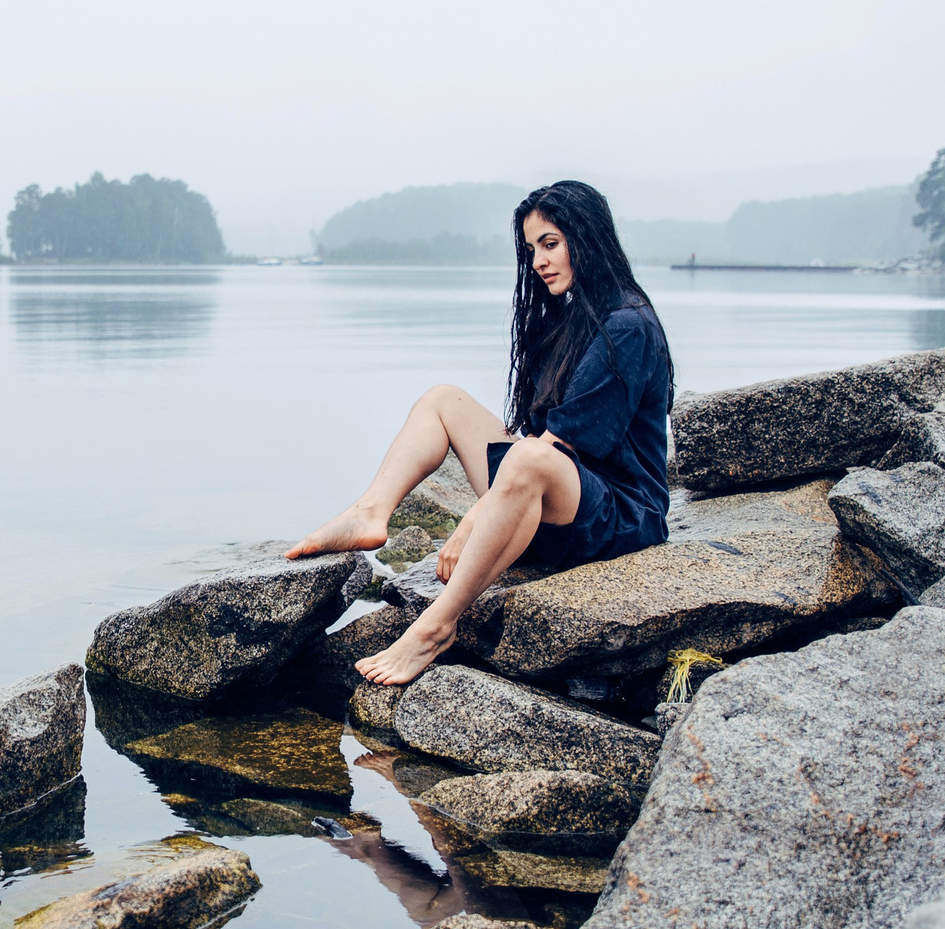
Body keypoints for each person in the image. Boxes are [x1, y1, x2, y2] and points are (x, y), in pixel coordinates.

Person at [285, 180, 673, 685]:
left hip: (621, 518)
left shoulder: (627, 324)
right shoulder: (574, 314)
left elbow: (554, 448)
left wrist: (472, 522)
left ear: (589, 237)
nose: (538, 261)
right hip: (561, 500)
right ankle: (369, 513)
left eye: (551, 244)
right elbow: (539, 438)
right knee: (444, 399)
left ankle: (436, 627)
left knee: (529, 460)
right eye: (532, 248)